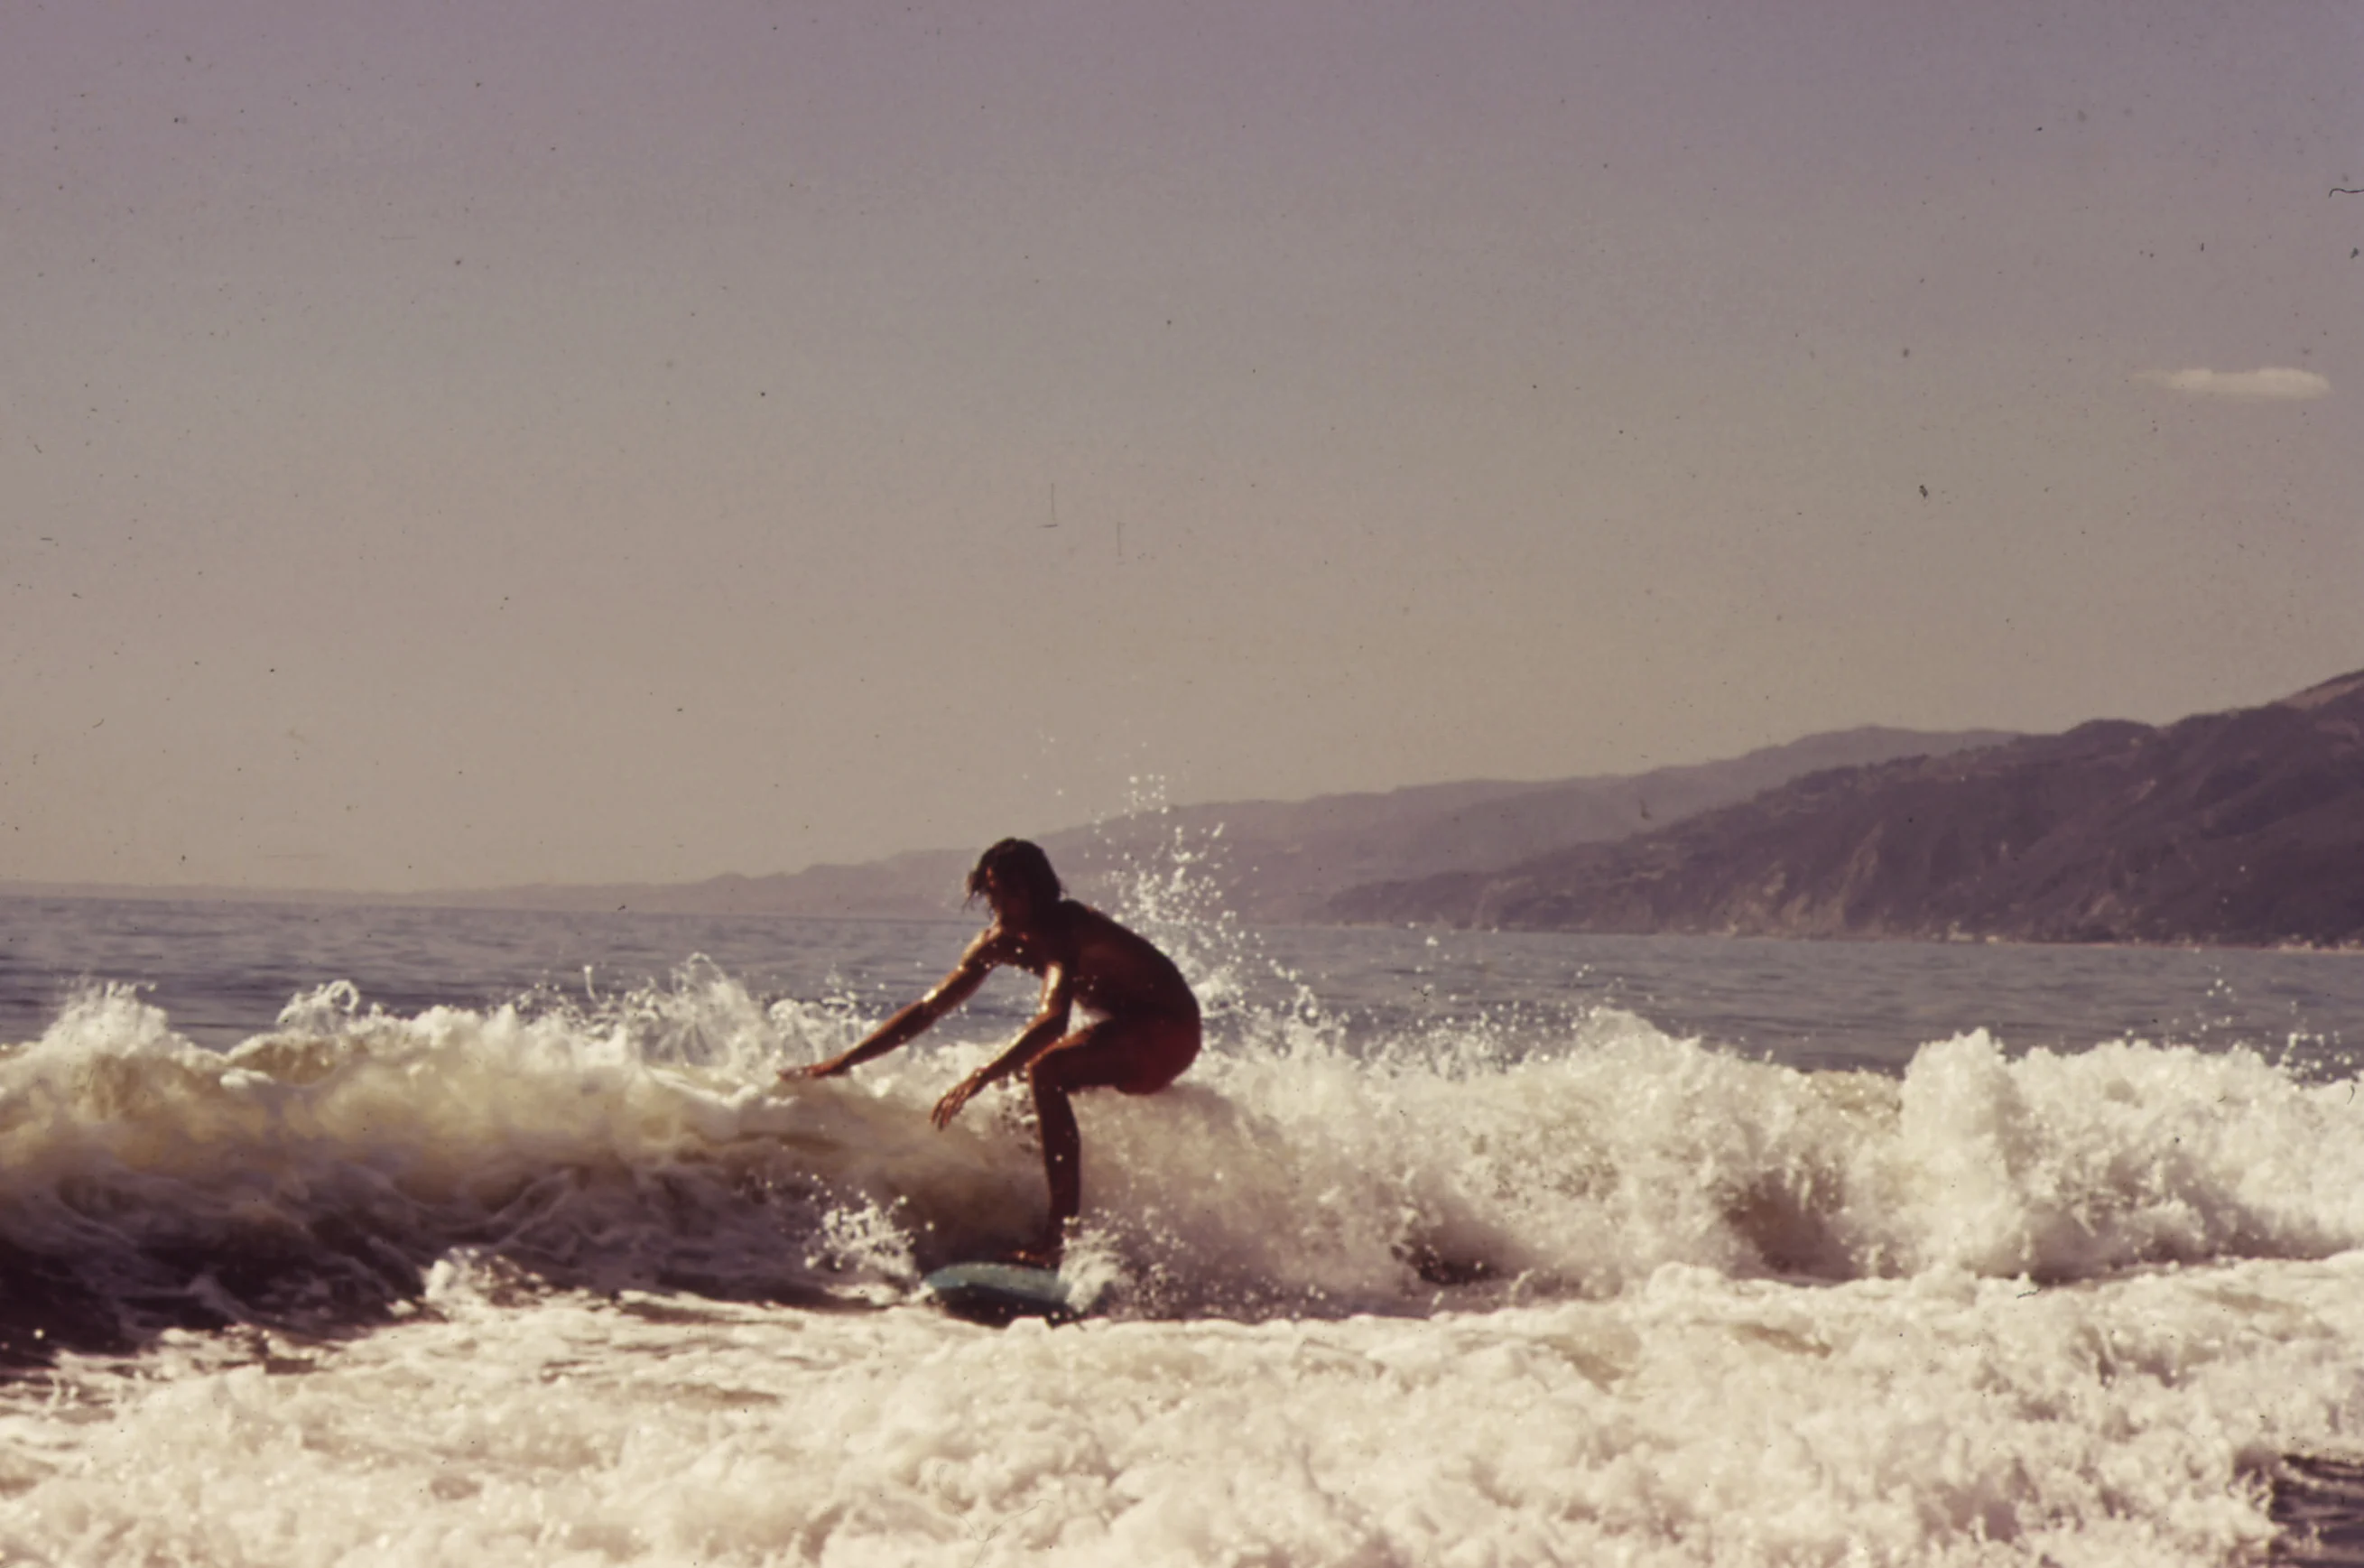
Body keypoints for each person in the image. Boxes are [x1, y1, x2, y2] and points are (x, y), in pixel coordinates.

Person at [783, 839, 1201, 1265]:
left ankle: (1060, 1238)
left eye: (1013, 893)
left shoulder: (1064, 927)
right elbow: (928, 1009)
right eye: (993, 892)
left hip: (1170, 1031)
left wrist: (982, 1074)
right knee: (1018, 1094)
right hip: (1128, 1031)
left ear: (1039, 891)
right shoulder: (997, 941)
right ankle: (1029, 1210)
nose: (1002, 903)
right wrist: (845, 1061)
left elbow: (1053, 1019)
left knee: (1045, 1069)